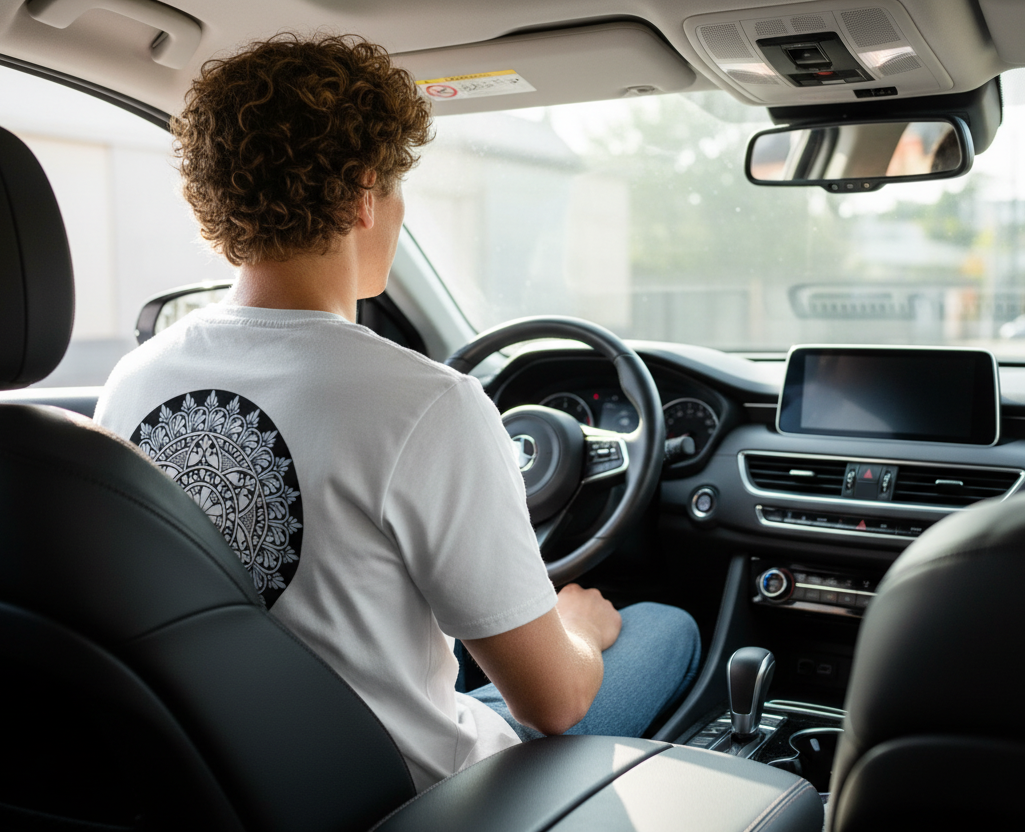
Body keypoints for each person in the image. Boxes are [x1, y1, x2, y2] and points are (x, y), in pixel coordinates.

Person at [94, 33, 700, 791]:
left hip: (218, 778)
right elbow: (555, 703)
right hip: (413, 794)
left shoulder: (133, 381)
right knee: (664, 627)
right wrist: (575, 628)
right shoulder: (428, 404)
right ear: (362, 194)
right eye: (398, 186)